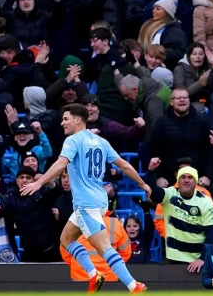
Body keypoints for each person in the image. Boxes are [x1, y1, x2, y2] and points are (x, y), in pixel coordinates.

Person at [21, 103, 150, 293]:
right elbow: (124, 165)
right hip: (96, 200)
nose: (62, 123)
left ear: (78, 119)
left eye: (65, 119)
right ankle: (93, 274)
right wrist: (142, 184)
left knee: (104, 248)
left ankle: (133, 285)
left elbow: (60, 163)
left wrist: (38, 183)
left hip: (87, 204)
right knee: (66, 239)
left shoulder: (73, 141)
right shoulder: (101, 142)